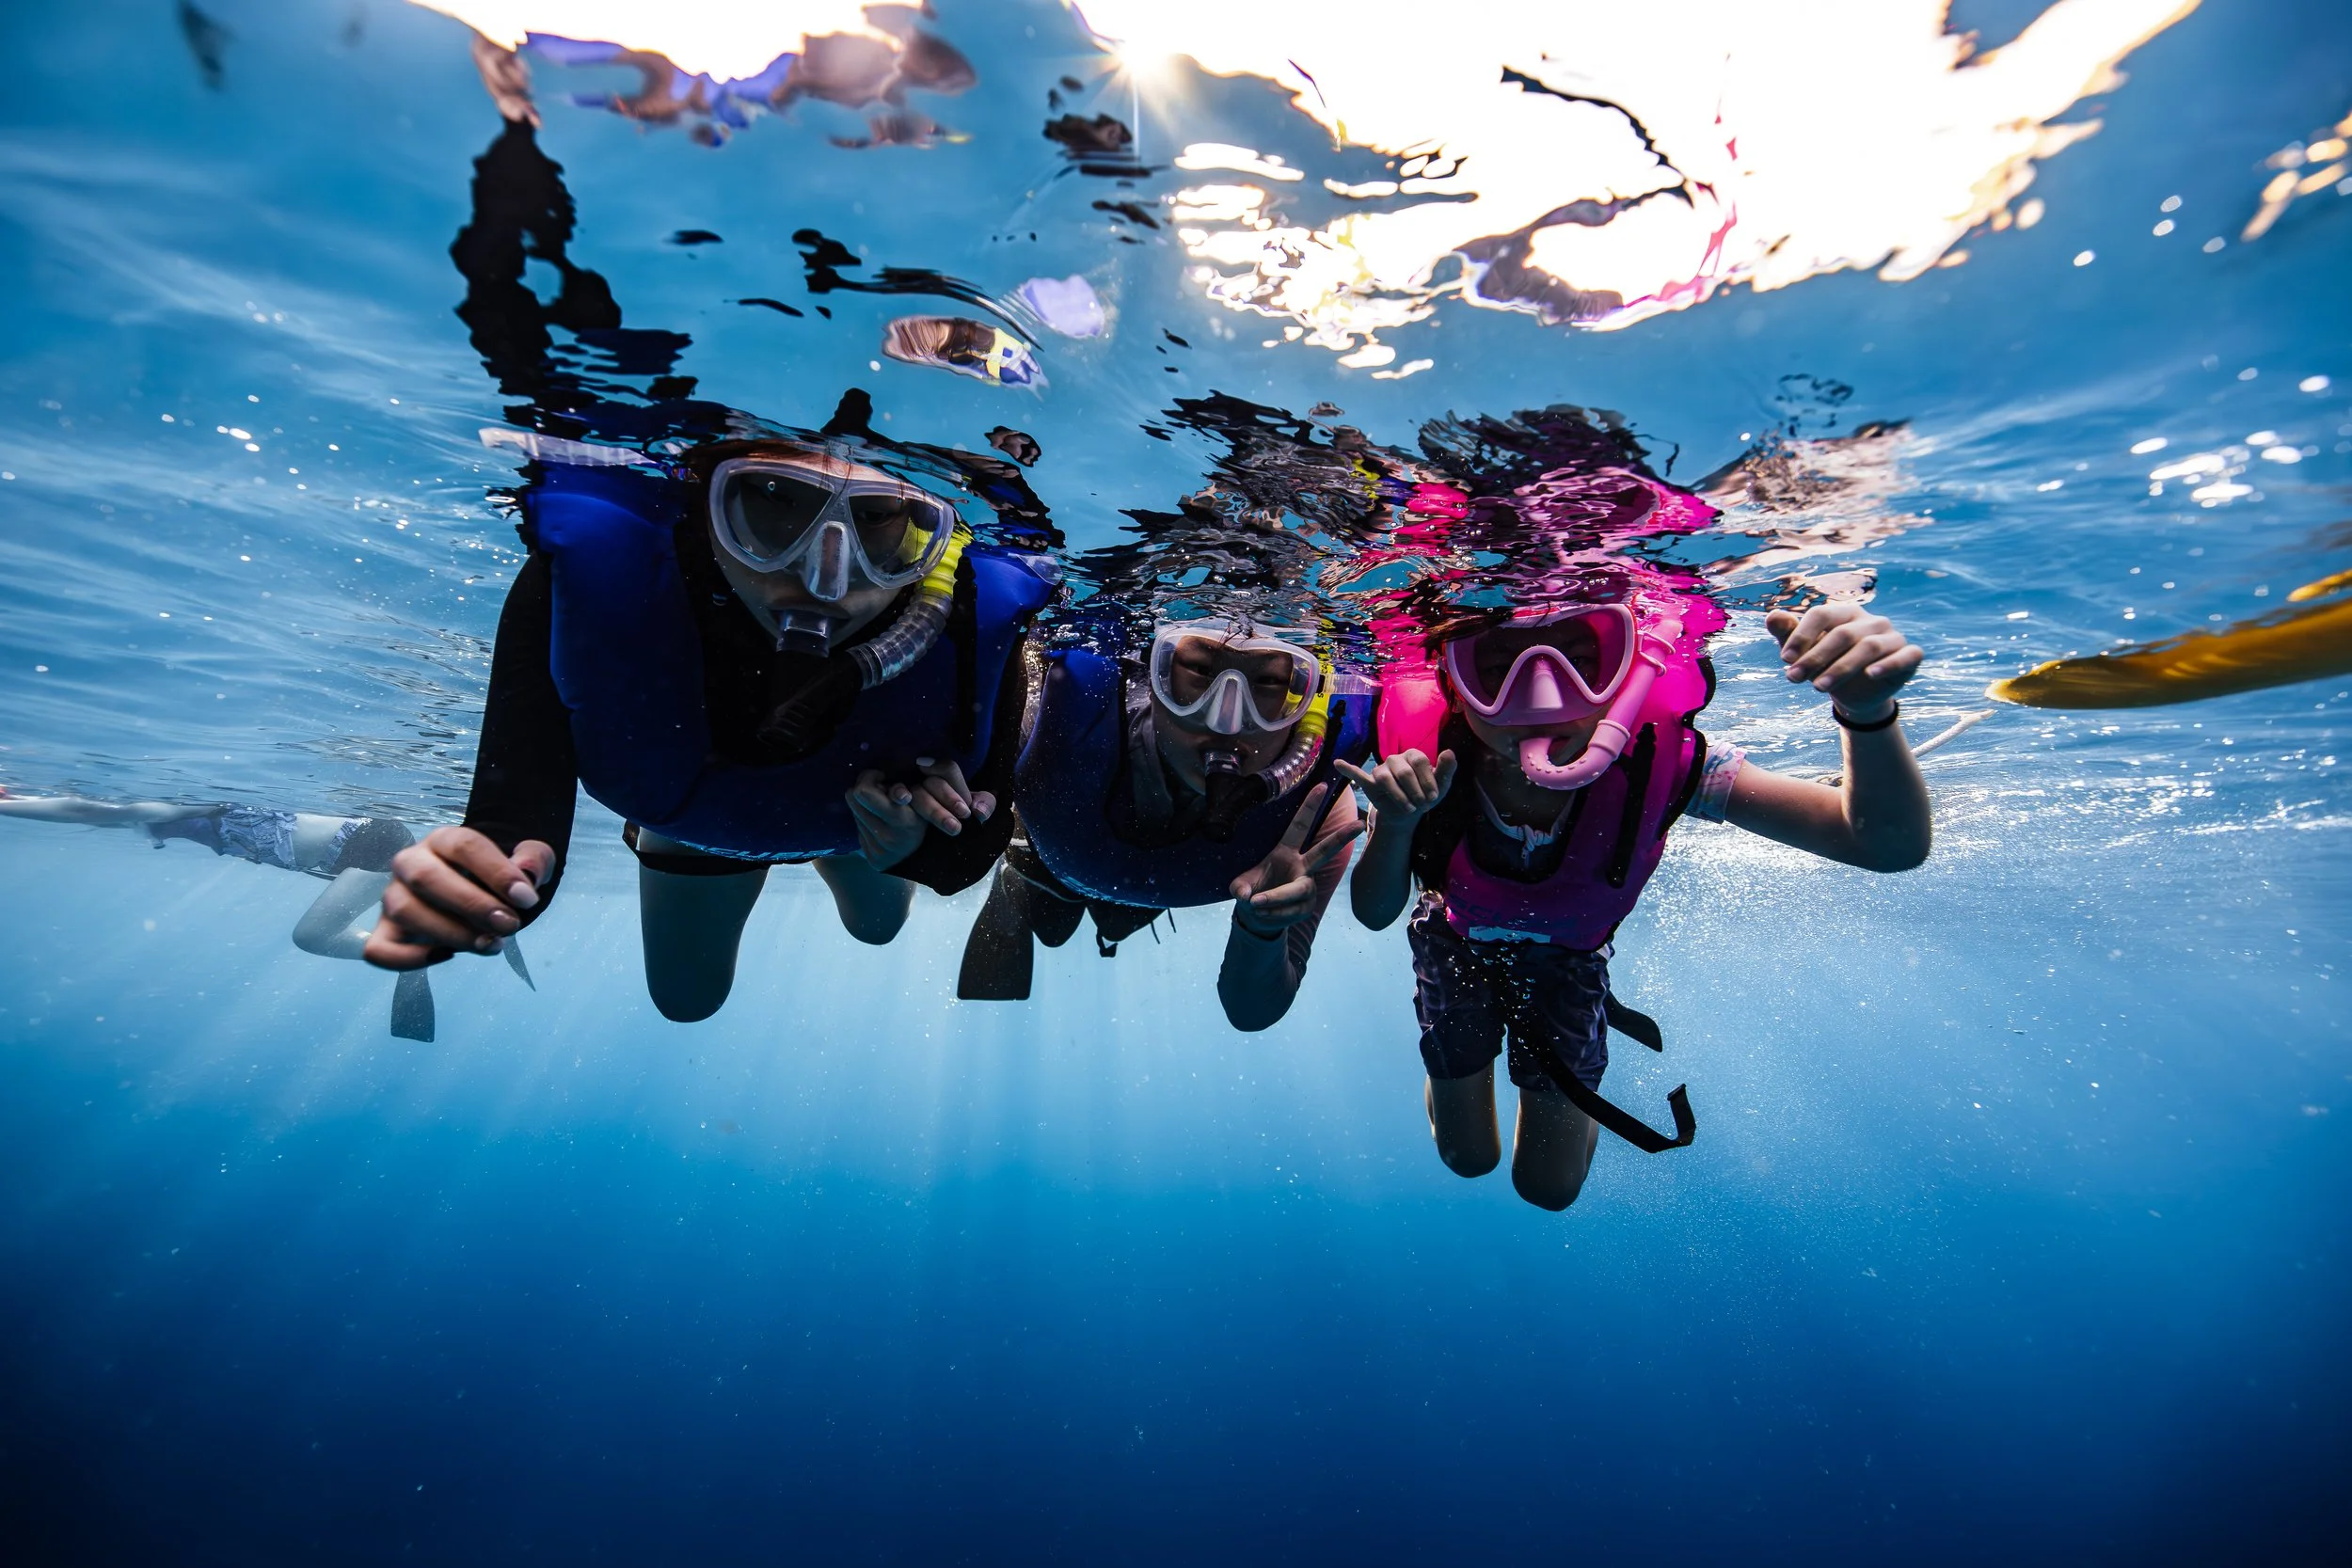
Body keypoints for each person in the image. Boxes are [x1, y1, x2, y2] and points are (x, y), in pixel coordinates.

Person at [359, 118, 1058, 1021]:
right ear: (700, 510)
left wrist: (915, 846)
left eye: (885, 529)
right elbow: (512, 820)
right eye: (771, 507)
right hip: (704, 817)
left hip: (862, 817)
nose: (826, 577)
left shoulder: (970, 622)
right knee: (686, 999)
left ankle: (850, 854)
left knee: (880, 928)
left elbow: (970, 848)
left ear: (937, 546)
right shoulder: (597, 584)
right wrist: (493, 876)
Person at [1343, 594, 1931, 1211]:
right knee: (1467, 1157)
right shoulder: (1423, 767)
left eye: (1580, 662)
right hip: (1454, 944)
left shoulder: (1667, 764)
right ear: (1453, 685)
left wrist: (1866, 711)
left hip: (1569, 962)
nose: (1542, 696)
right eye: (1495, 669)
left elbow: (1882, 845)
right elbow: (1375, 912)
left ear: (1627, 671)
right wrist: (1397, 824)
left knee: (1549, 1188)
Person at [957, 615, 1375, 1032]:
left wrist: (1261, 929)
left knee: (1118, 923)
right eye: (1199, 671)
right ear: (1155, 673)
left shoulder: (1316, 810)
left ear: (1305, 697)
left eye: (1267, 682)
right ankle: (1010, 885)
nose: (1226, 720)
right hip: (1046, 865)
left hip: (1136, 878)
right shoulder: (1051, 719)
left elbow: (1253, 1012)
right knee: (1050, 922)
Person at [0, 790, 517, 1040]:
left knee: (310, 937)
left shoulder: (176, 808)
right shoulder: (188, 811)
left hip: (368, 842)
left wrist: (8, 805)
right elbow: (93, 813)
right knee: (318, 934)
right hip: (358, 847)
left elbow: (87, 810)